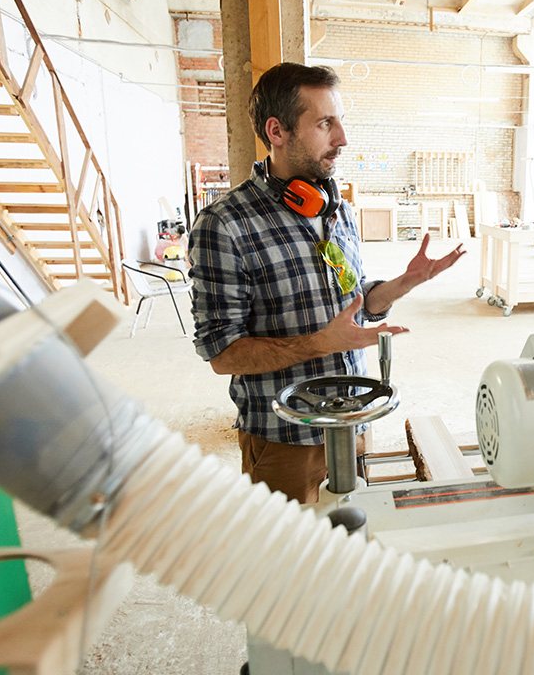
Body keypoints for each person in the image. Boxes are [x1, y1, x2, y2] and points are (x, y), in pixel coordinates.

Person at [188, 62, 464, 504]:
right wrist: (321, 343)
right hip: (284, 441)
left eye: (340, 120)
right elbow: (222, 353)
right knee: (294, 565)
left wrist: (401, 285)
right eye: (324, 123)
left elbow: (353, 303)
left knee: (353, 549)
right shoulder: (224, 225)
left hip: (352, 424)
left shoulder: (333, 207)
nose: (342, 138)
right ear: (276, 131)